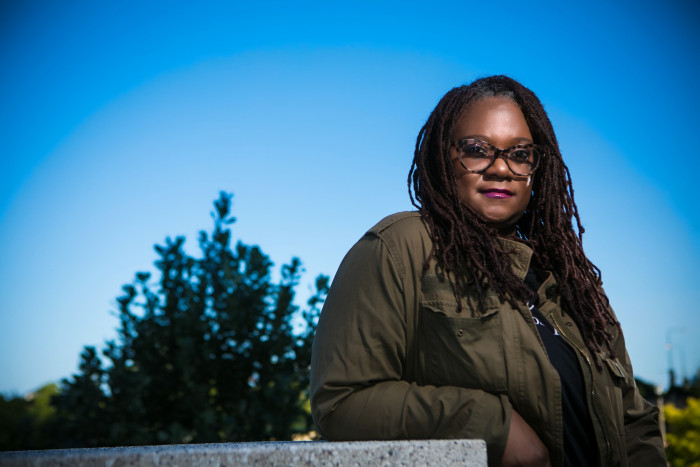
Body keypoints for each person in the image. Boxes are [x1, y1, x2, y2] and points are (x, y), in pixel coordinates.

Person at [309, 75, 666, 466]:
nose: (500, 169)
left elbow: (636, 425)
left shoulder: (575, 286)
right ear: (444, 158)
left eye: (519, 153)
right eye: (477, 150)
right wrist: (492, 426)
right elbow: (342, 402)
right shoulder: (400, 248)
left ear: (536, 169)